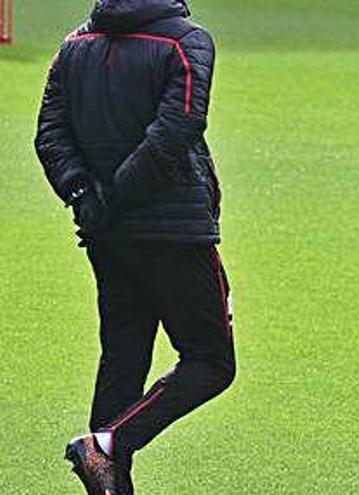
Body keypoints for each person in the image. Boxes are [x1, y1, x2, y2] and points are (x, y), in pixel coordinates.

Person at [34, 1, 234, 493]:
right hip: (175, 229)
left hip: (107, 231)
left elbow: (50, 134)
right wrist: (117, 194)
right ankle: (106, 445)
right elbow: (176, 130)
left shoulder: (73, 46)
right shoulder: (187, 41)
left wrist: (85, 195)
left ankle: (109, 477)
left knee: (123, 359)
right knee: (210, 361)